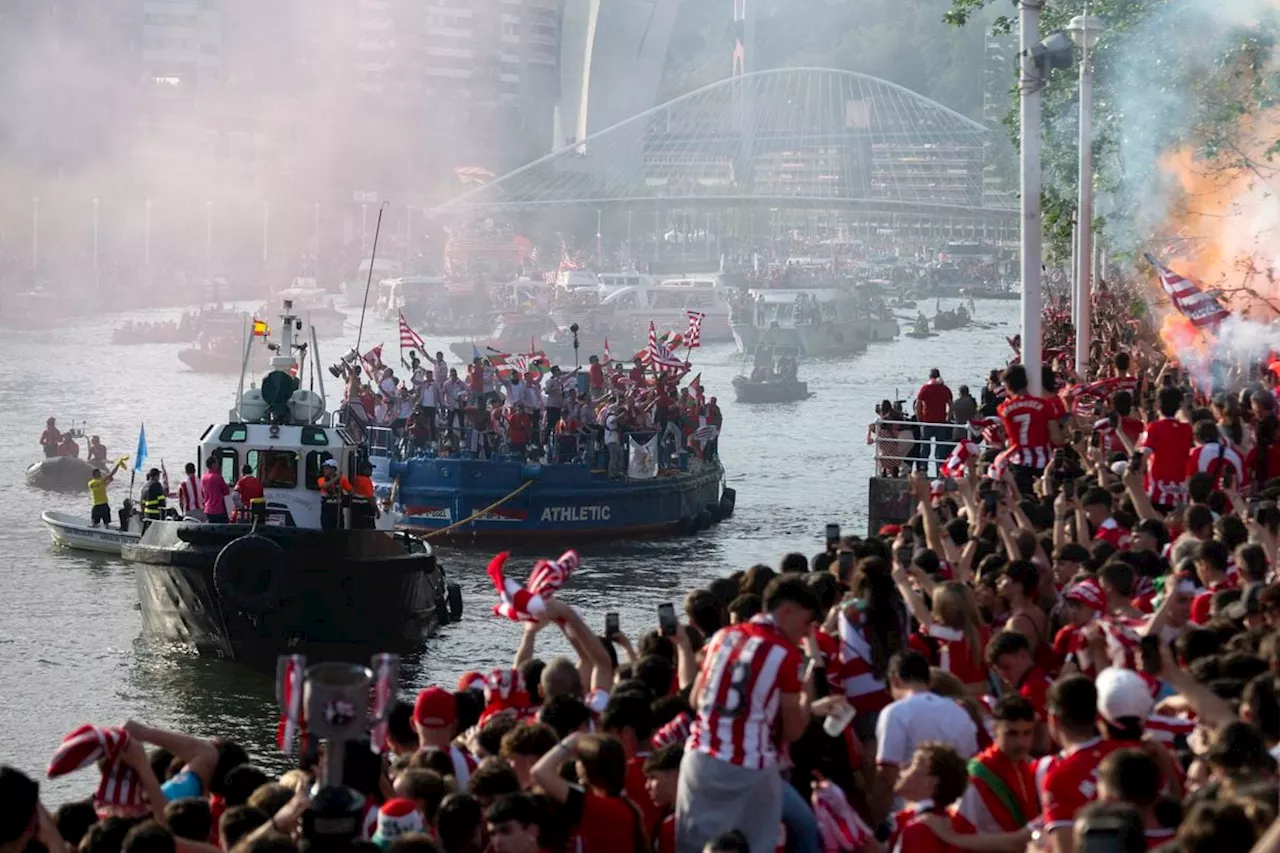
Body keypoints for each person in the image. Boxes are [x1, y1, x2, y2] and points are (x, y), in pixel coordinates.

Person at [676, 575, 826, 853]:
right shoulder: (786, 654)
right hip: (750, 768)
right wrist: (806, 698)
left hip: (700, 761)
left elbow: (697, 700)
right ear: (786, 612)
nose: (807, 633)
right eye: (806, 623)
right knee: (795, 831)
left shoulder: (722, 637)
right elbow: (794, 731)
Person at [871, 650, 978, 823]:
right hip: (959, 816)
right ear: (929, 681)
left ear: (894, 681)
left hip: (913, 818)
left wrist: (874, 823)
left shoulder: (895, 713)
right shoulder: (960, 712)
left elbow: (886, 775)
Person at [915, 368, 954, 476]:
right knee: (940, 449)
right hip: (940, 423)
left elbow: (918, 404)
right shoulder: (945, 389)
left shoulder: (925, 388)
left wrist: (919, 419)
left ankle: (923, 470)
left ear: (929, 377)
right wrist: (948, 419)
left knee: (925, 448)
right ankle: (939, 471)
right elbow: (951, 405)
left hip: (926, 423)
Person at [88, 459, 124, 528]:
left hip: (97, 506)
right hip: (103, 505)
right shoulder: (99, 481)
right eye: (99, 473)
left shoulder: (91, 483)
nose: (101, 474)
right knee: (106, 523)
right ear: (95, 474)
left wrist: (108, 482)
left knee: (95, 523)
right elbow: (112, 473)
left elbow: (100, 487)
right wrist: (118, 465)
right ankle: (107, 530)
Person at [318, 457, 351, 532]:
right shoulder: (321, 479)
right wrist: (337, 478)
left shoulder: (342, 480)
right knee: (326, 530)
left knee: (339, 531)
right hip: (327, 510)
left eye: (327, 468)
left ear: (333, 469)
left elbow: (350, 491)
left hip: (338, 509)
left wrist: (344, 497)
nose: (324, 470)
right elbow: (324, 486)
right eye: (324, 468)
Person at [201, 457, 231, 524]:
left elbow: (203, 493)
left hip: (207, 509)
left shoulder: (203, 477)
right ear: (214, 464)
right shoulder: (218, 477)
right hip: (218, 510)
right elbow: (226, 492)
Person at [350, 460, 378, 530]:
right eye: (369, 469)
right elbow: (370, 498)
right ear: (364, 470)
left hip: (356, 512)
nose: (371, 471)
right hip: (365, 512)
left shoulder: (356, 479)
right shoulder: (366, 481)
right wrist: (377, 510)